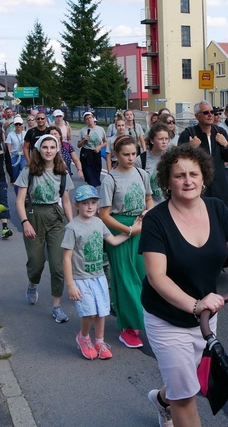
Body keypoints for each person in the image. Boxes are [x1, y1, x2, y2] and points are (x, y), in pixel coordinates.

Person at [141, 144, 228, 427]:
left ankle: (162, 400)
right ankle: (173, 402)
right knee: (186, 395)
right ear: (167, 180)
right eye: (179, 175)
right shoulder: (156, 220)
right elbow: (157, 278)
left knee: (187, 382)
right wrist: (195, 304)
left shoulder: (216, 209)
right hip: (168, 319)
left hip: (206, 317)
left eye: (194, 173)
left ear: (204, 177)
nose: (188, 180)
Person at [61, 185, 142, 360]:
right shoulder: (72, 228)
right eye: (85, 203)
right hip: (81, 278)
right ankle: (83, 338)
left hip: (99, 276)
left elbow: (112, 240)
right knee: (89, 313)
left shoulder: (99, 222)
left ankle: (99, 341)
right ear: (77, 205)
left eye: (93, 203)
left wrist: (130, 232)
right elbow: (66, 258)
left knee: (101, 311)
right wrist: (70, 285)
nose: (90, 207)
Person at [99, 135, 153, 348]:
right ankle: (128, 328)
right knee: (125, 280)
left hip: (141, 226)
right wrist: (129, 230)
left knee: (143, 276)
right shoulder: (110, 179)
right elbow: (104, 215)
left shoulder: (142, 174)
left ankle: (143, 319)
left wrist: (148, 213)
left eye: (133, 154)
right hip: (120, 229)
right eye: (126, 154)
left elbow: (148, 198)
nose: (131, 158)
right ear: (116, 154)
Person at [15, 134, 74, 323]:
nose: (48, 151)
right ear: (39, 150)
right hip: (34, 216)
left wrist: (72, 225)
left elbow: (65, 200)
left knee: (58, 265)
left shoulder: (62, 171)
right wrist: (25, 222)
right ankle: (32, 283)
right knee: (36, 263)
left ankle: (56, 306)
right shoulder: (29, 171)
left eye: (52, 147)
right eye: (45, 147)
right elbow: (19, 201)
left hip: (56, 218)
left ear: (57, 149)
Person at [178, 101, 228, 220]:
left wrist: (225, 145)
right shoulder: (189, 134)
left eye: (212, 112)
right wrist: (191, 147)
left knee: (227, 217)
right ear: (197, 116)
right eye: (205, 112)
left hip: (220, 183)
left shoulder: (220, 132)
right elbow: (179, 161)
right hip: (200, 185)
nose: (210, 115)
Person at [136, 123, 173, 206]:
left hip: (170, 205)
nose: (164, 142)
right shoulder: (141, 160)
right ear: (152, 140)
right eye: (160, 139)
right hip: (150, 206)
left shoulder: (172, 158)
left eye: (166, 139)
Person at [76, 111, 106, 188]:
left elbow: (106, 142)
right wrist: (84, 140)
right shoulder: (83, 130)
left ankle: (93, 189)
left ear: (93, 118)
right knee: (89, 175)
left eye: (90, 118)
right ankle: (91, 189)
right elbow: (79, 145)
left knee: (96, 173)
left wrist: (99, 147)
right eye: (86, 119)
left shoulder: (100, 129)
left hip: (96, 152)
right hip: (86, 153)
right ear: (85, 121)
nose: (89, 120)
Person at [6, 116, 27, 185]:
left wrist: (25, 144)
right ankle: (17, 194)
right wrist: (8, 159)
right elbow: (8, 148)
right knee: (15, 177)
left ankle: (25, 192)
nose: (18, 126)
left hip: (23, 156)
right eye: (16, 124)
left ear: (22, 125)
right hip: (14, 156)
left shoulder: (25, 133)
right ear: (14, 125)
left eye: (19, 124)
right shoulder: (10, 134)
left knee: (25, 174)